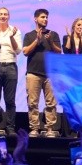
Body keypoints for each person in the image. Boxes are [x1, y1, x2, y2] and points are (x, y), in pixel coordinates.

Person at [22, 8, 61, 138]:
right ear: (35, 19)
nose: (45, 19)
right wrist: (36, 41)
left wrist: (50, 42)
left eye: (46, 17)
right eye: (43, 17)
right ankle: (34, 128)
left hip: (50, 73)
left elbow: (59, 52)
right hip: (33, 73)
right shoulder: (29, 35)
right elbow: (25, 52)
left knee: (51, 103)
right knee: (32, 102)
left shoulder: (53, 34)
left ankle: (50, 128)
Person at [0, 7, 23, 136]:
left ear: (9, 16)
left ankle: (10, 128)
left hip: (11, 66)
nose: (3, 16)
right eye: (1, 14)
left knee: (10, 100)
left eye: (5, 14)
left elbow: (18, 51)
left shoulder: (15, 31)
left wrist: (11, 37)